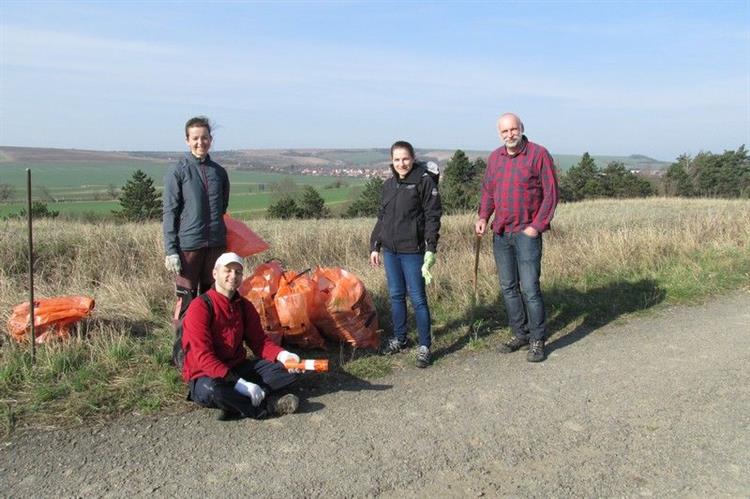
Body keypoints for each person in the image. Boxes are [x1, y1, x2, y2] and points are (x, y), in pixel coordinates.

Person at [475, 113, 559, 362]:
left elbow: (551, 194)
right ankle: (519, 333)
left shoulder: (538, 154)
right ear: (499, 134)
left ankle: (537, 339)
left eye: (513, 129)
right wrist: (482, 218)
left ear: (522, 128)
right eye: (504, 131)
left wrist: (536, 226)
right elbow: (489, 192)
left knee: (530, 289)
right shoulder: (495, 158)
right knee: (508, 288)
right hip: (501, 233)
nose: (510, 135)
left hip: (526, 234)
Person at [182, 252, 302, 420]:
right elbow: (202, 356)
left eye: (238, 272)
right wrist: (240, 384)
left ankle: (240, 402)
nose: (233, 276)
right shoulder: (200, 307)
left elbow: (260, 342)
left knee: (291, 370)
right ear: (215, 274)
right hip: (206, 374)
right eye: (228, 271)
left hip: (238, 366)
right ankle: (268, 406)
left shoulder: (245, 306)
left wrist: (283, 355)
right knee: (215, 391)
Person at [370, 141, 442, 368]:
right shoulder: (389, 185)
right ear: (392, 161)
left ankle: (424, 346)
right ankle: (400, 339)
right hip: (391, 251)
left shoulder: (424, 181)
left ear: (413, 158)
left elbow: (433, 216)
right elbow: (383, 218)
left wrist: (431, 247)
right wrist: (375, 245)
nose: (401, 163)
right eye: (397, 159)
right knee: (396, 296)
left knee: (418, 298)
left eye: (405, 159)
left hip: (413, 251)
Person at [163, 116, 230, 321]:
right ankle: (183, 348)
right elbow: (170, 212)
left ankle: (211, 346)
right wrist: (171, 251)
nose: (200, 142)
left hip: (216, 246)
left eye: (204, 137)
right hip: (188, 246)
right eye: (195, 138)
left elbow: (223, 207)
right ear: (187, 140)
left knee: (214, 298)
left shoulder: (219, 173)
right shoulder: (178, 172)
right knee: (186, 299)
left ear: (211, 139)